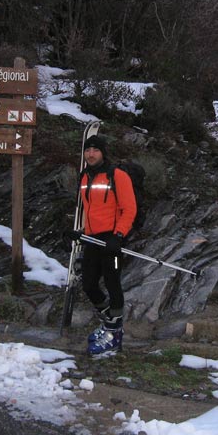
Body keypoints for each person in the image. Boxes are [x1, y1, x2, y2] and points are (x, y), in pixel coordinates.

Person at [75, 134, 137, 356]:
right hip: (92, 238)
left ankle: (113, 334)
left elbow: (129, 209)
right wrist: (80, 232)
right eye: (88, 150)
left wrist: (118, 236)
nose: (91, 154)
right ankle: (111, 322)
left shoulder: (117, 175)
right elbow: (89, 209)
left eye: (95, 150)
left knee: (112, 283)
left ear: (103, 152)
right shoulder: (84, 176)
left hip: (112, 240)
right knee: (89, 284)